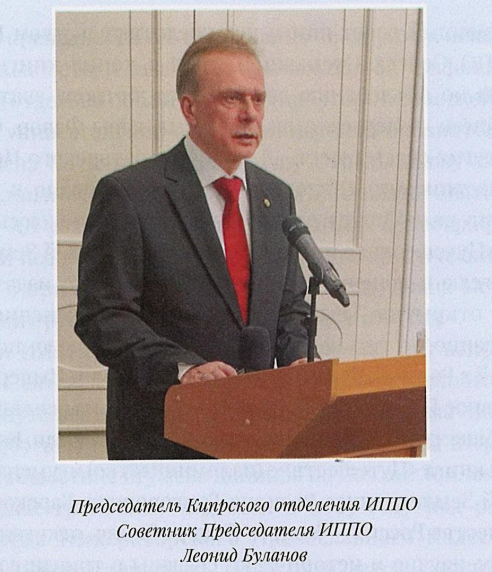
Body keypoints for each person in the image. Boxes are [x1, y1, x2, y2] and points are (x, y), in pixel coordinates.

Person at [75, 30, 310, 460]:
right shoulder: (131, 194)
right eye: (232, 98)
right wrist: (184, 369)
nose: (250, 114)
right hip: (164, 441)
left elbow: (289, 307)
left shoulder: (277, 197)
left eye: (258, 99)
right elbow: (102, 315)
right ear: (189, 108)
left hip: (259, 435)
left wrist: (298, 360)